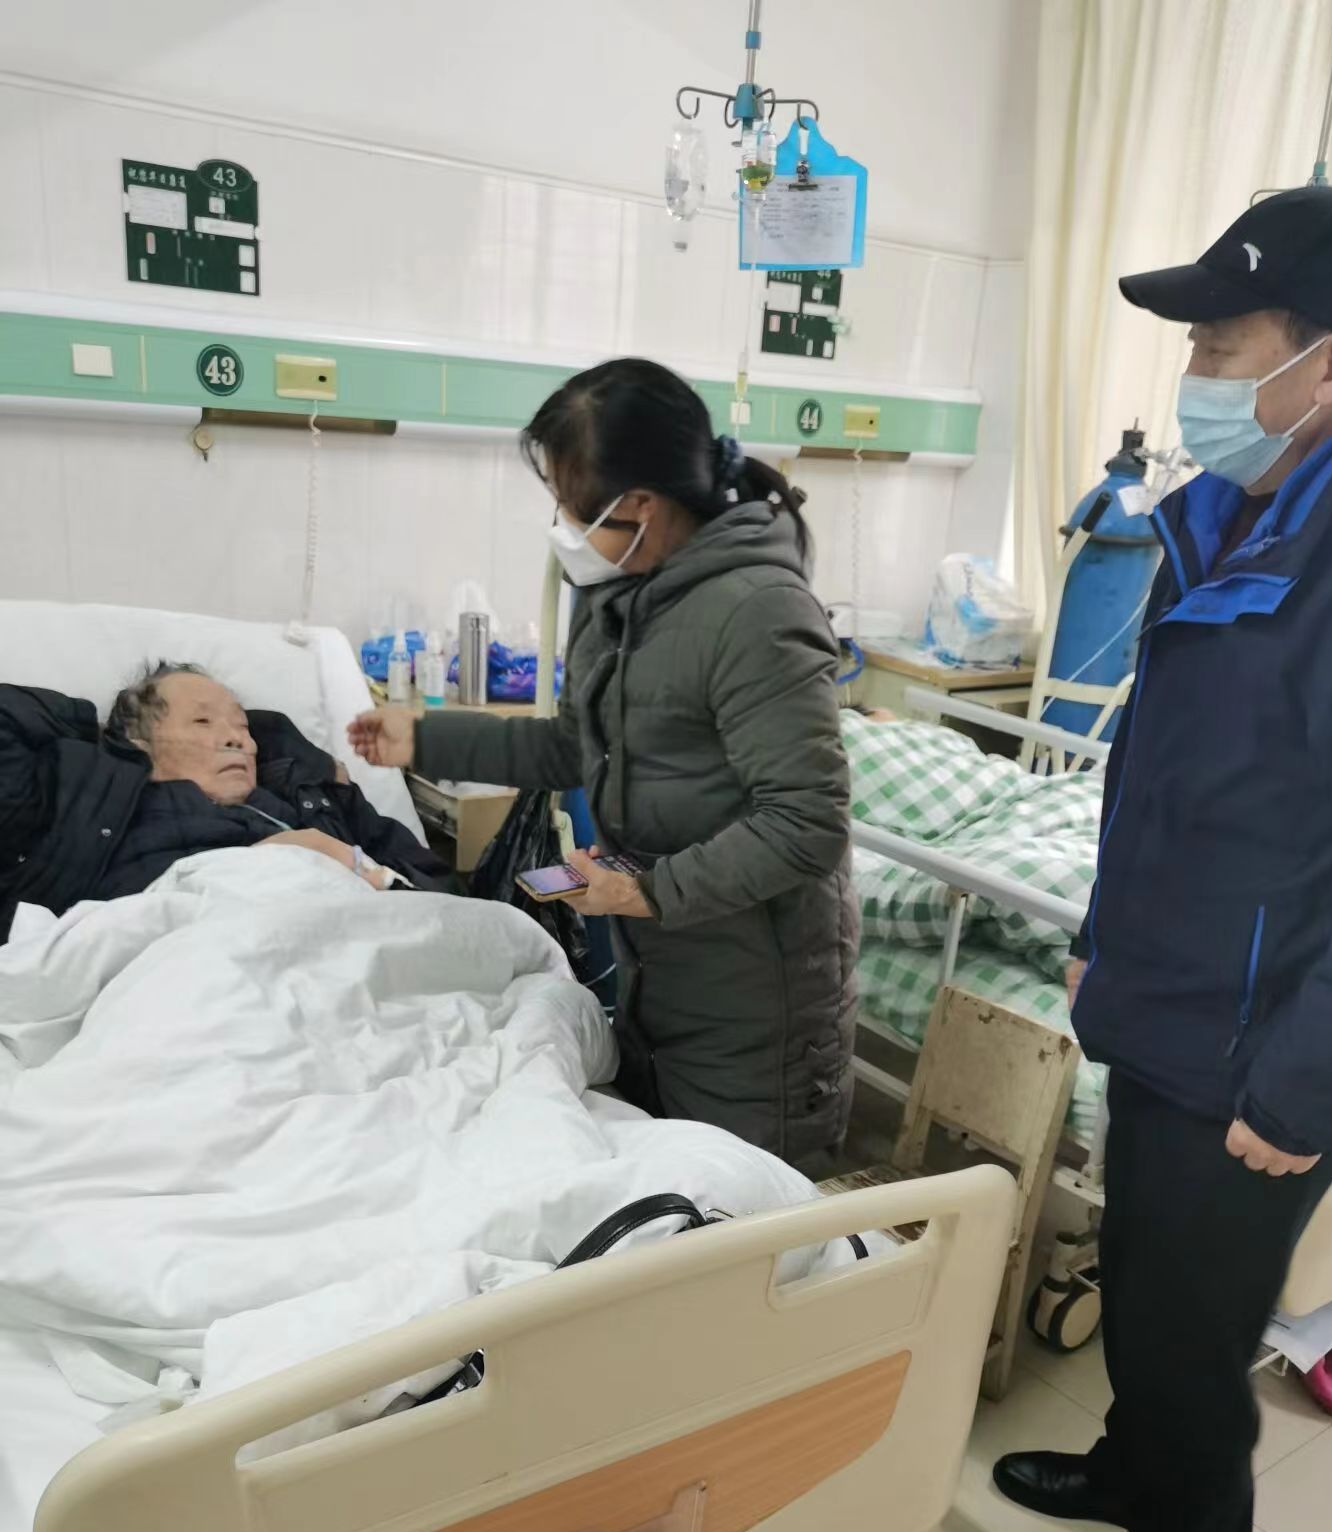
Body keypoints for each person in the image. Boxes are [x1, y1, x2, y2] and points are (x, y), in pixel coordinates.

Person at [996, 185, 1332, 1532]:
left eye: (1220, 344)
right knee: (1144, 1287)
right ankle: (1132, 1469)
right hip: (1170, 1000)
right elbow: (1171, 775)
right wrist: (1104, 937)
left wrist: (1307, 1090)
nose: (1193, 375)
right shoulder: (1246, 514)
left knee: (1194, 1336)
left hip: (1264, 1052)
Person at [350, 357, 857, 1169]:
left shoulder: (758, 611)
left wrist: (647, 891)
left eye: (572, 505)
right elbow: (571, 747)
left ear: (642, 506)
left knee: (746, 1219)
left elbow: (807, 823)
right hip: (657, 978)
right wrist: (426, 738)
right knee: (662, 1204)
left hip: (756, 1009)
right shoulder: (622, 598)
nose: (562, 524)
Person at [0, 662, 449, 933]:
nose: (238, 740)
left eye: (243, 727)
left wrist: (347, 860)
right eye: (202, 722)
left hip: (340, 940)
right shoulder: (86, 803)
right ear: (139, 743)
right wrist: (94, 729)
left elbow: (445, 897)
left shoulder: (310, 800)